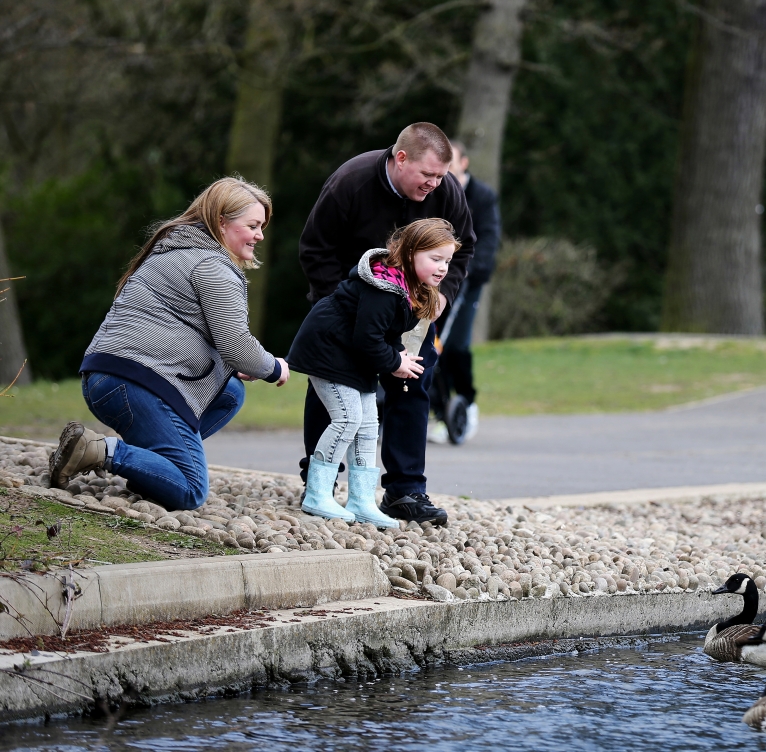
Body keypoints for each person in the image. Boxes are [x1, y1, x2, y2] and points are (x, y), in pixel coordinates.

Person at [50, 177, 289, 511]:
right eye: (252, 225)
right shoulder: (212, 266)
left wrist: (233, 368)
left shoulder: (174, 250)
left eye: (261, 226)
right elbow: (237, 346)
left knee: (230, 393)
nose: (260, 235)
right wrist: (273, 367)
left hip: (105, 378)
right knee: (191, 490)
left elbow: (187, 331)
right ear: (221, 222)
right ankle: (99, 450)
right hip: (134, 384)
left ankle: (148, 470)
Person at [298, 122, 475, 526]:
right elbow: (315, 249)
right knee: (337, 392)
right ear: (400, 159)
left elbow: (464, 248)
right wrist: (341, 311)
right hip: (345, 308)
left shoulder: (446, 192)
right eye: (427, 175)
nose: (434, 184)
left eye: (441, 176)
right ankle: (320, 481)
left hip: (414, 311)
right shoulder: (351, 181)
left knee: (412, 384)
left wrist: (442, 292)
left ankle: (405, 490)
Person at [287, 220, 459, 528]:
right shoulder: (383, 288)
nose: (443, 267)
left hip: (352, 360)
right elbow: (367, 339)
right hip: (329, 354)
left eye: (447, 260)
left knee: (368, 426)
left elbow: (387, 333)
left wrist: (398, 354)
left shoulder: (410, 289)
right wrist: (395, 362)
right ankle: (317, 493)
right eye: (435, 259)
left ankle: (361, 499)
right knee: (348, 418)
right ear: (409, 254)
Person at [428, 139, 501, 444]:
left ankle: (466, 403)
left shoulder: (482, 196)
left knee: (456, 344)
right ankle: (437, 407)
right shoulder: (436, 191)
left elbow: (487, 237)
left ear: (464, 163)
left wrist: (470, 267)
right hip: (435, 277)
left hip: (467, 280)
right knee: (431, 342)